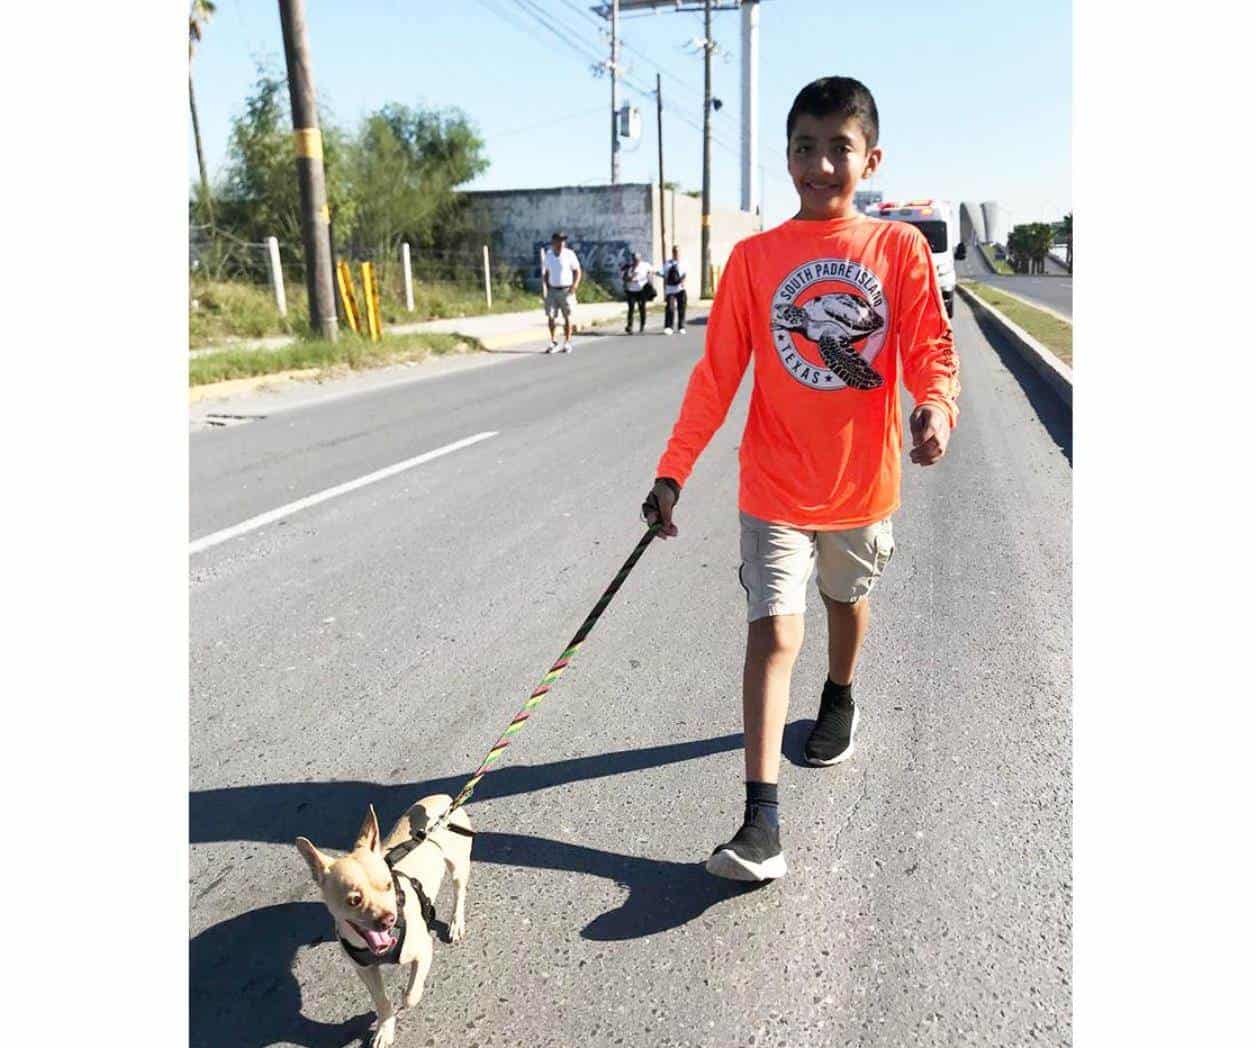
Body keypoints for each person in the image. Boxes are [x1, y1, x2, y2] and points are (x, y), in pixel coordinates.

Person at [640, 76, 960, 883]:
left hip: (862, 485)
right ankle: (760, 824)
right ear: (787, 157)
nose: (820, 165)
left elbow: (929, 347)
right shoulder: (754, 260)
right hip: (775, 485)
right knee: (773, 632)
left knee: (846, 605)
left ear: (870, 157)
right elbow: (715, 379)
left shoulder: (897, 250)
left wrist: (935, 408)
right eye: (804, 148)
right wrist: (673, 472)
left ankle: (841, 696)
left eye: (837, 148)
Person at [541, 232, 582, 353]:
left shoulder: (569, 254)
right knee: (551, 316)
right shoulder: (549, 255)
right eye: (559, 240)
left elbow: (577, 270)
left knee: (567, 316)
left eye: (563, 240)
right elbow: (546, 272)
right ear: (553, 242)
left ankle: (567, 342)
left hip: (567, 290)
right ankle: (553, 341)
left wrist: (575, 285)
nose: (561, 243)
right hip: (553, 290)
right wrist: (547, 287)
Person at [620, 251, 653, 334]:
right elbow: (623, 277)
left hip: (641, 290)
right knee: (631, 308)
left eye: (637, 259)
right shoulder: (629, 267)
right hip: (631, 290)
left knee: (642, 307)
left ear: (640, 259)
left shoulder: (645, 265)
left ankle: (642, 325)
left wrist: (649, 278)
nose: (636, 261)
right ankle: (630, 326)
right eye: (634, 259)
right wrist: (629, 277)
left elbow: (651, 272)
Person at [659, 245, 687, 335]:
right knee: (670, 308)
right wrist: (665, 279)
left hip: (680, 289)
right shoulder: (667, 264)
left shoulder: (683, 263)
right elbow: (663, 274)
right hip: (670, 289)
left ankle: (681, 326)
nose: (676, 253)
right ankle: (668, 327)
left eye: (678, 252)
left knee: (681, 308)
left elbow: (685, 274)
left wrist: (683, 282)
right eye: (675, 251)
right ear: (672, 252)